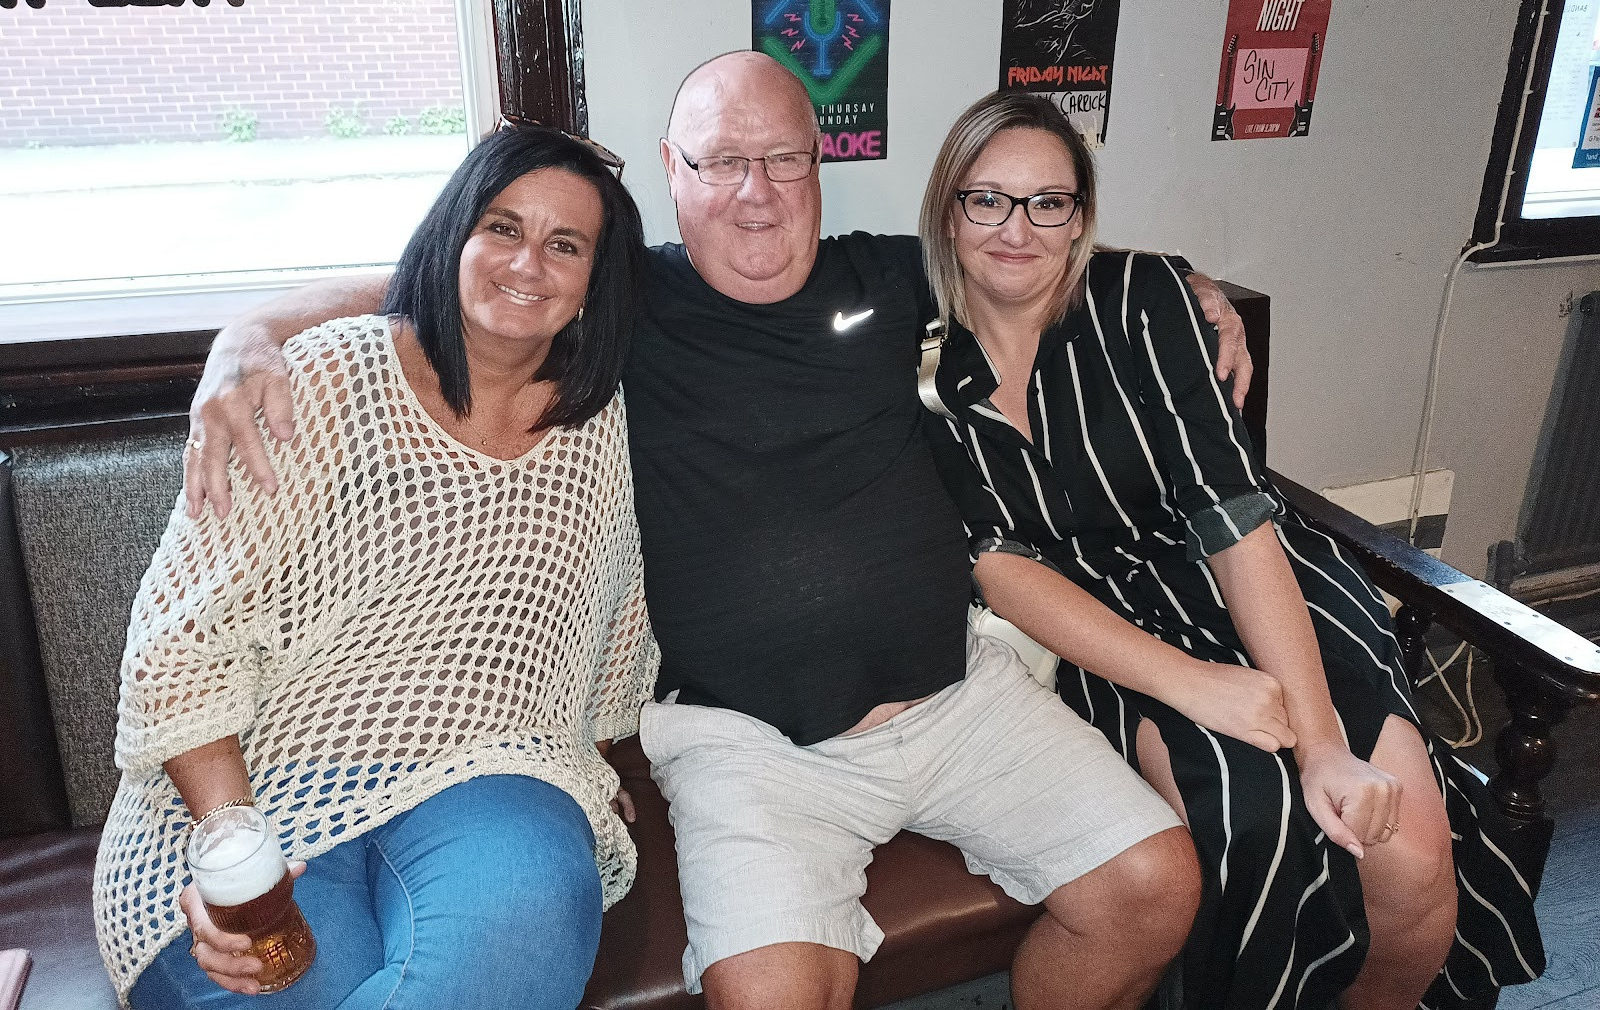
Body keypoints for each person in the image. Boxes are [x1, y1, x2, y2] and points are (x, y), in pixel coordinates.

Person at [182, 53, 1256, 1010]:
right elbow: (451, 281)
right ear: (672, 170)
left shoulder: (894, 278)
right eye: (722, 162)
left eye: (783, 160)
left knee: (1151, 887)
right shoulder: (618, 299)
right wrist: (253, 330)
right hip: (749, 747)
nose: (755, 192)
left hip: (957, 700)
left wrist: (1188, 289)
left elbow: (1027, 248)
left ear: (820, 165)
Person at [916, 91, 1546, 1010]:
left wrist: (1322, 743)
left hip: (1252, 578)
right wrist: (1190, 683)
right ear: (948, 209)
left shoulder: (1141, 303)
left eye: (1049, 202)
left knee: (1408, 857)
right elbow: (994, 558)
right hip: (1100, 625)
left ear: (1082, 217)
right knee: (1251, 817)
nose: (1017, 229)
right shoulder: (917, 360)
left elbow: (1232, 518)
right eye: (988, 199)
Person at [94, 125, 659, 1010]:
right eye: (501, 227)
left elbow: (612, 633)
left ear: (596, 279)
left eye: (565, 244)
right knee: (290, 974)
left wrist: (588, 760)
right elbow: (181, 642)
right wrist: (232, 846)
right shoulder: (318, 379)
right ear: (454, 234)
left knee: (526, 921)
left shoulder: (610, 422)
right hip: (261, 778)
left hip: (496, 775)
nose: (527, 263)